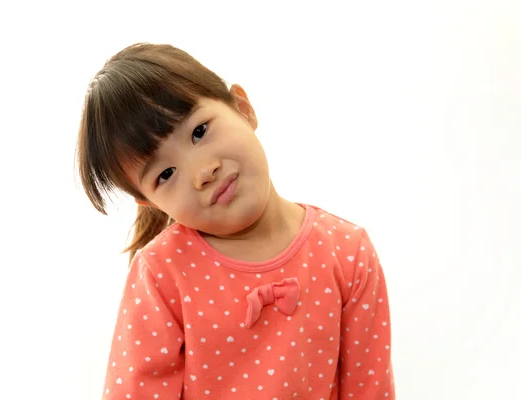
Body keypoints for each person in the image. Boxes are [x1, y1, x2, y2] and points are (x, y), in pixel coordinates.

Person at [76, 42, 395, 399]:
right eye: (165, 174)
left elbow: (370, 390)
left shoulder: (347, 251)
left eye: (199, 132)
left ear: (243, 108)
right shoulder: (162, 274)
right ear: (149, 202)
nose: (202, 173)